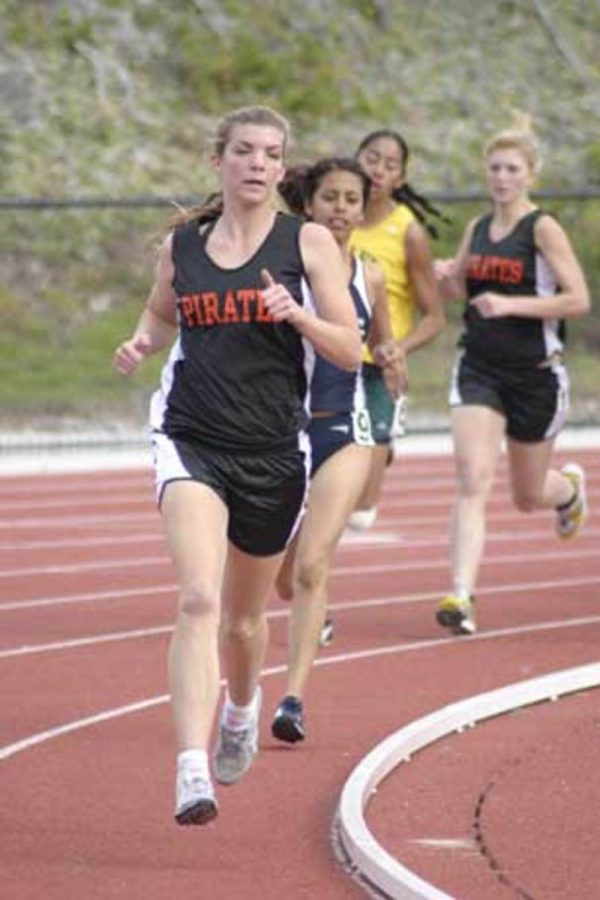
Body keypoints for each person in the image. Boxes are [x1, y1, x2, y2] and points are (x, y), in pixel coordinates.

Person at [112, 106, 362, 826]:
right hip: (190, 435)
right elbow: (161, 316)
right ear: (219, 159)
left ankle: (242, 708)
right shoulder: (181, 248)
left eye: (271, 153)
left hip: (274, 449)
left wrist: (300, 315)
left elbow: (348, 349)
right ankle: (191, 768)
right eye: (244, 150)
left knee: (246, 624)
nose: (257, 163)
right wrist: (139, 343)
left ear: (283, 169)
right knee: (198, 596)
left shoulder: (308, 242)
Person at [268, 158, 405, 743]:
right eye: (331, 198)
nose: (343, 209)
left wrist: (393, 361)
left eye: (352, 198)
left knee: (314, 564)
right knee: (282, 576)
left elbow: (381, 339)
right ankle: (312, 615)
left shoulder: (370, 274)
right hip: (282, 431)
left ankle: (292, 699)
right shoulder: (284, 267)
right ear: (309, 206)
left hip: (344, 429)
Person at [434, 128, 590, 636]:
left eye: (512, 169)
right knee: (471, 478)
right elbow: (463, 287)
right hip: (479, 367)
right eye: (495, 168)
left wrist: (511, 305)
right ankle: (460, 594)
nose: (501, 178)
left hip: (535, 375)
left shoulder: (542, 228)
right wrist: (447, 277)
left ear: (530, 175)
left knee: (527, 495)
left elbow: (577, 299)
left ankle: (566, 491)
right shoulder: (477, 226)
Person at [347, 128, 446, 530]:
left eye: (390, 165)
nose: (378, 170)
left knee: (361, 515)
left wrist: (398, 349)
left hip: (378, 365)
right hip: (330, 360)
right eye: (371, 158)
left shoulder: (409, 232)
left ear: (400, 179)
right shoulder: (330, 214)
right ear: (356, 158)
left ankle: (378, 444)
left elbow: (435, 317)